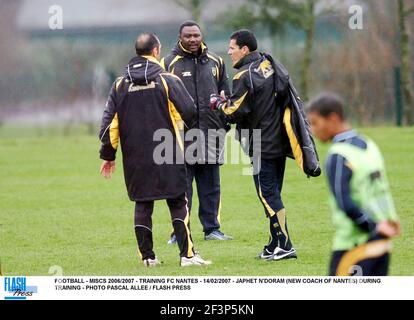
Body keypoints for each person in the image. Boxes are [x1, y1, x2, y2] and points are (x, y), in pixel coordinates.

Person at [98, 33, 211, 267]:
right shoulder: (167, 79)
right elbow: (190, 111)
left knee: (143, 203)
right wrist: (180, 128)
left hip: (135, 157)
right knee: (178, 201)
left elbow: (109, 126)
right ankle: (187, 256)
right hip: (168, 151)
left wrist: (108, 155)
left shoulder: (120, 84)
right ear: (156, 51)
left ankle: (148, 258)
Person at [211, 30, 302, 261]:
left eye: (232, 48)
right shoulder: (267, 65)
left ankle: (286, 244)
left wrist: (219, 103)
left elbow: (235, 111)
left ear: (244, 49)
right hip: (278, 139)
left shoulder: (244, 75)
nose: (229, 52)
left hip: (261, 143)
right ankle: (274, 243)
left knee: (267, 194)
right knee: (272, 192)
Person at [307, 92, 401, 276]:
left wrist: (373, 227)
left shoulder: (338, 155)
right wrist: (389, 220)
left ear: (333, 118)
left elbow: (345, 203)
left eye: (315, 123)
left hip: (354, 246)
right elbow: (381, 190)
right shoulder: (369, 145)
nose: (312, 130)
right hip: (382, 244)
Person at [161, 21, 233, 242]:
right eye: (188, 36)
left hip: (212, 133)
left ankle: (212, 229)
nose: (192, 39)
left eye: (196, 35)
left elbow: (226, 95)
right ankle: (180, 231)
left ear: (202, 36)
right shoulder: (167, 63)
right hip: (180, 135)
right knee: (182, 186)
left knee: (211, 184)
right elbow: (161, 99)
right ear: (180, 37)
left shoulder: (216, 61)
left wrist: (224, 121)